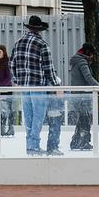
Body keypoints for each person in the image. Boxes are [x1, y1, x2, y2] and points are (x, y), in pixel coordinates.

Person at [11, 16, 60, 156]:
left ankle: (30, 145)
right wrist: (56, 85)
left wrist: (18, 80)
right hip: (38, 86)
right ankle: (34, 144)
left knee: (28, 117)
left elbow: (12, 65)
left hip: (24, 87)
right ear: (39, 29)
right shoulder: (42, 44)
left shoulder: (18, 43)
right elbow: (49, 69)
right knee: (38, 117)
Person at [66, 43, 98, 150]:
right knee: (85, 118)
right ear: (88, 52)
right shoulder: (82, 61)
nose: (93, 56)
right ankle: (83, 142)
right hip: (83, 95)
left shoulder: (77, 60)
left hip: (77, 94)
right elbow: (88, 77)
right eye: (92, 53)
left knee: (82, 118)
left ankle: (76, 142)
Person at [0, 45, 16, 136]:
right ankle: (0, 129)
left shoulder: (7, 63)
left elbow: (9, 78)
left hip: (6, 91)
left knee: (8, 111)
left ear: (4, 52)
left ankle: (10, 128)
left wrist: (1, 87)